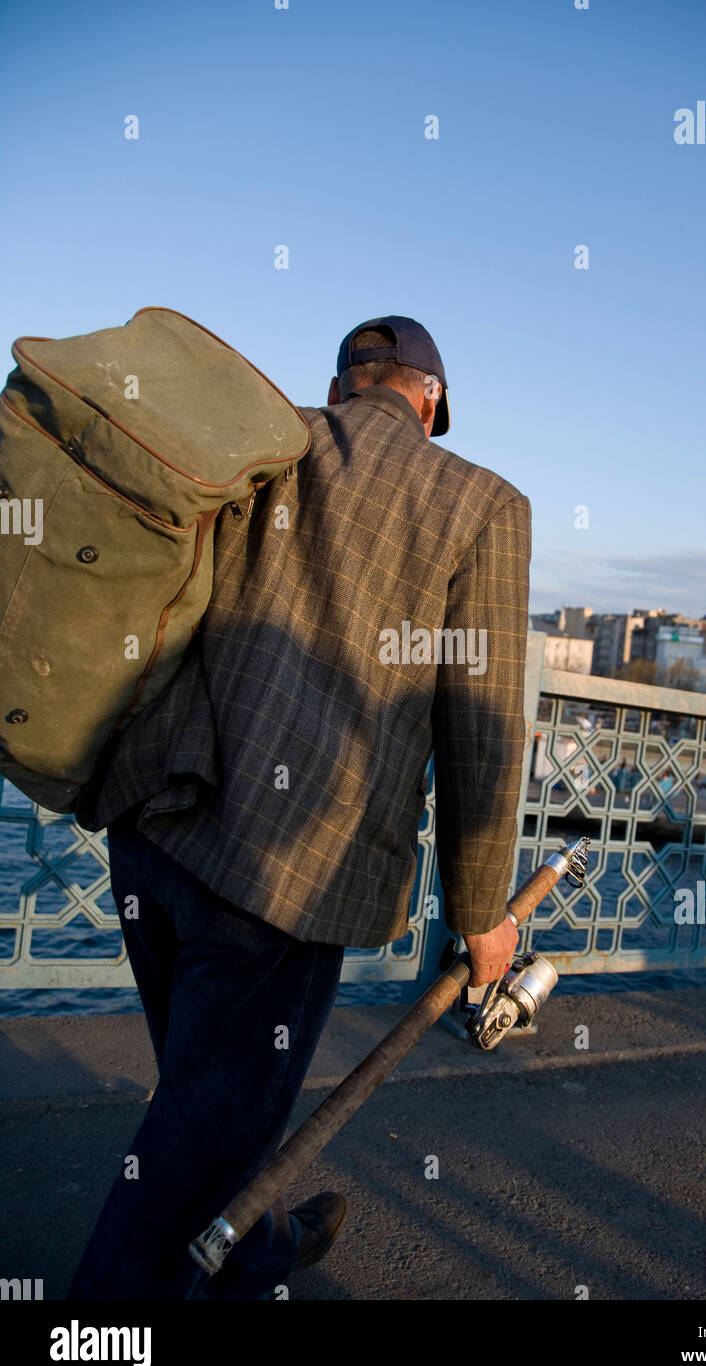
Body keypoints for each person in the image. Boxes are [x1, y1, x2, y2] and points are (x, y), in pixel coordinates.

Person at [69, 315, 531, 1300]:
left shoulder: (265, 440)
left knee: (208, 1100)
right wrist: (482, 910)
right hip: (284, 876)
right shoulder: (480, 504)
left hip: (152, 827)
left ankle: (264, 1245)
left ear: (338, 387)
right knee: (194, 1136)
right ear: (432, 401)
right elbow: (479, 726)